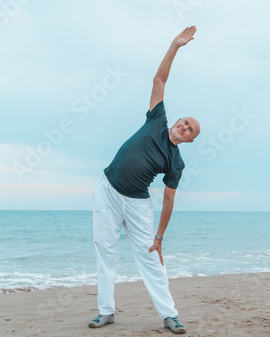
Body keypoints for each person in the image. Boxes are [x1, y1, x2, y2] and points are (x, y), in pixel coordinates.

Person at [88, 26, 200, 335]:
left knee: (150, 259)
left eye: (190, 129)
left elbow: (168, 200)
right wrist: (174, 46)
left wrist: (159, 237)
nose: (185, 126)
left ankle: (169, 315)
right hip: (107, 191)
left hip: (137, 204)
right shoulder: (157, 119)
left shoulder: (176, 161)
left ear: (189, 140)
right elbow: (159, 80)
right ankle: (106, 312)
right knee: (105, 251)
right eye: (185, 121)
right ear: (176, 120)